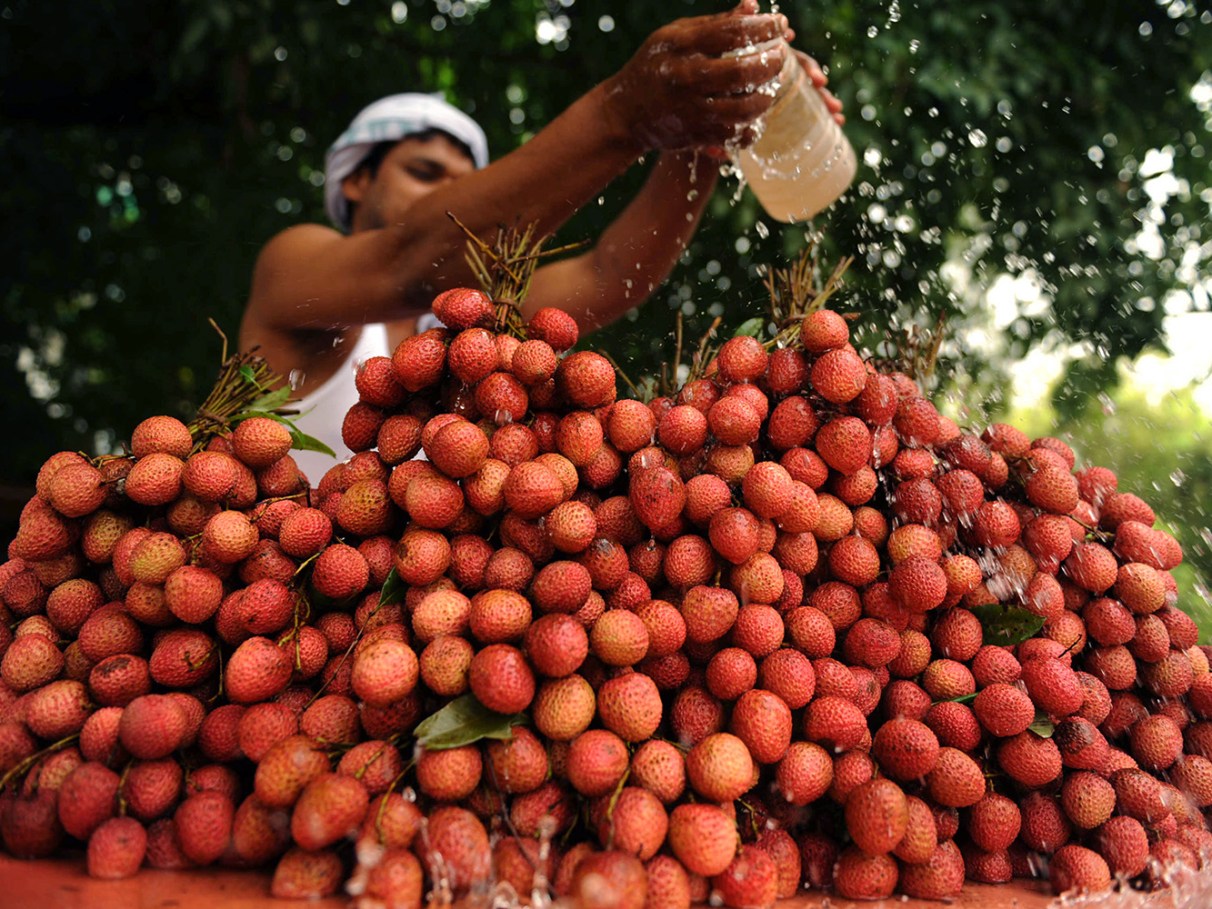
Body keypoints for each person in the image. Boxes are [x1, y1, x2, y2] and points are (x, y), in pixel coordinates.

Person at [238, 0, 843, 481]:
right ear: (356, 183)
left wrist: (703, 136)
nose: (441, 196)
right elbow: (410, 262)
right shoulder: (292, 266)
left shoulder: (468, 327)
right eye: (423, 174)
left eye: (463, 185)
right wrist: (624, 113)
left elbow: (608, 274)